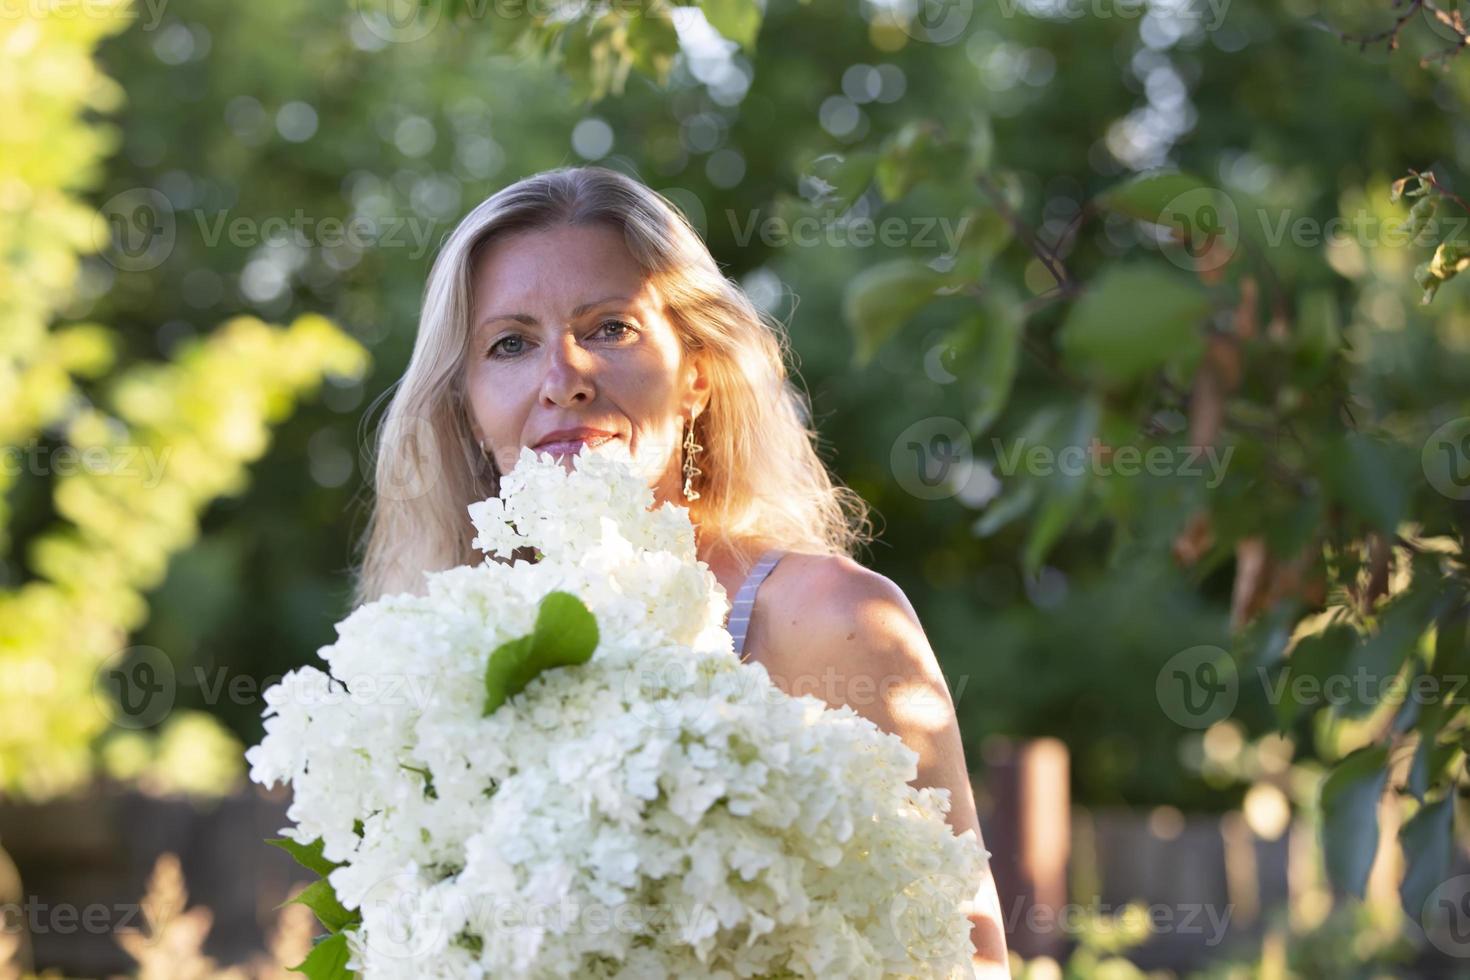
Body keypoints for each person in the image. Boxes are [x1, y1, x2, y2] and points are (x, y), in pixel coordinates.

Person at [354, 164, 1011, 976]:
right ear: (466, 402)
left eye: (609, 329)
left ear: (697, 372)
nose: (563, 380)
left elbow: (961, 953)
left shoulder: (832, 617)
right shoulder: (437, 654)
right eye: (510, 344)